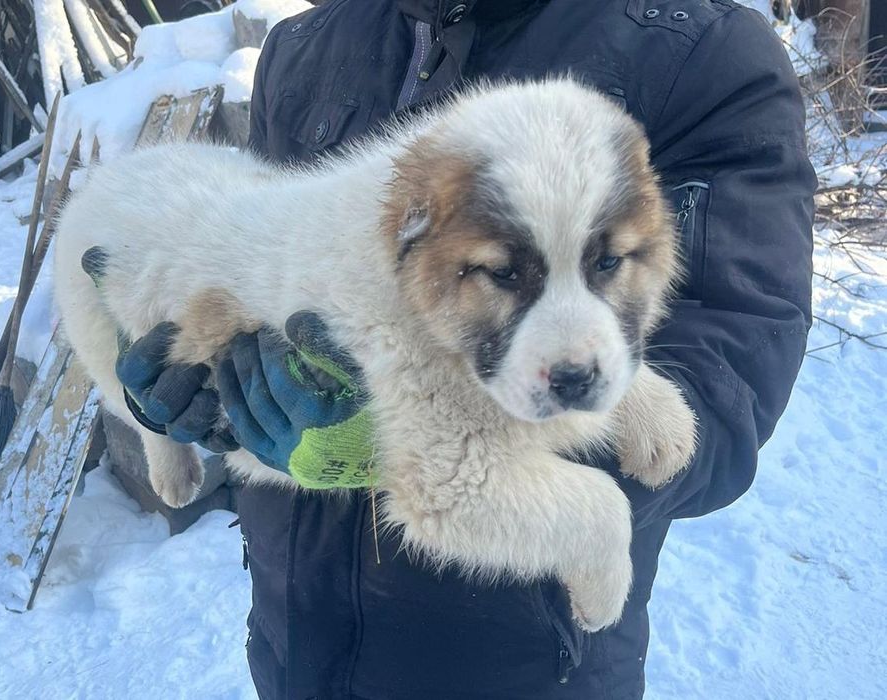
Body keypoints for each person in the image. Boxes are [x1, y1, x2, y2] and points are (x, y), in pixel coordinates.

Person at [108, 1, 816, 697]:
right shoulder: (306, 44)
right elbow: (258, 255)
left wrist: (430, 452)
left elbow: (735, 358)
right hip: (296, 636)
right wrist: (216, 396)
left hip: (515, 664)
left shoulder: (699, 52)